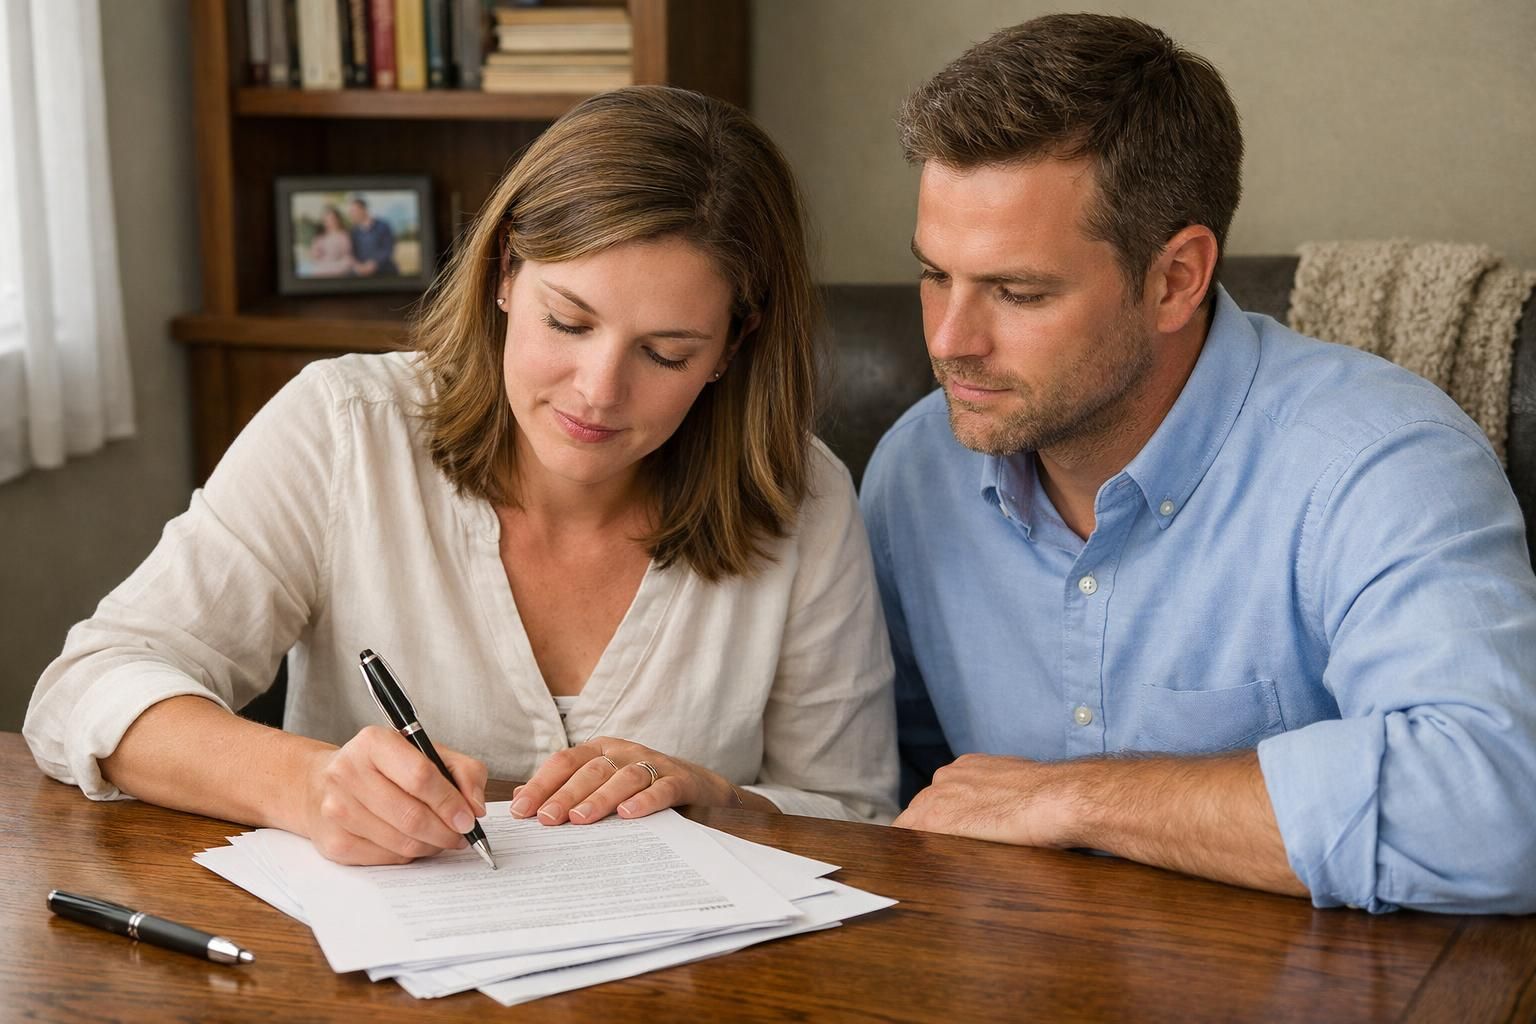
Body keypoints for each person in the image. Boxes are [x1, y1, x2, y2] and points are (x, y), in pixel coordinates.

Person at [25, 86, 898, 867]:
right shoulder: (345, 428)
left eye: (666, 352)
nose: (598, 392)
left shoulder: (803, 497)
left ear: (731, 347)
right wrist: (306, 781)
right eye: (568, 322)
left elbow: (857, 815)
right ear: (507, 273)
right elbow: (87, 688)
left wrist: (731, 808)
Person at [859, 13, 1536, 914]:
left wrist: (1074, 797)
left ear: (1176, 277)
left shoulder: (1380, 462)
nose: (950, 342)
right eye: (935, 275)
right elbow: (896, 796)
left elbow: (1500, 805)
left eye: (1018, 292)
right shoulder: (915, 468)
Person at [347, 195, 397, 277]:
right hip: (361, 270)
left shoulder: (383, 226)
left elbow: (388, 249)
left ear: (363, 209)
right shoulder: (353, 232)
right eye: (351, 212)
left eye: (353, 211)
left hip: (383, 268)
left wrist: (374, 264)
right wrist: (358, 266)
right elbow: (351, 252)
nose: (351, 214)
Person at [306, 205, 355, 277]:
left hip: (339, 267)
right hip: (323, 266)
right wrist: (314, 254)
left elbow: (347, 256)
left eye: (332, 218)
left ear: (338, 219)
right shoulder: (320, 237)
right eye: (327, 219)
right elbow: (314, 256)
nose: (330, 221)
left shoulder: (344, 236)